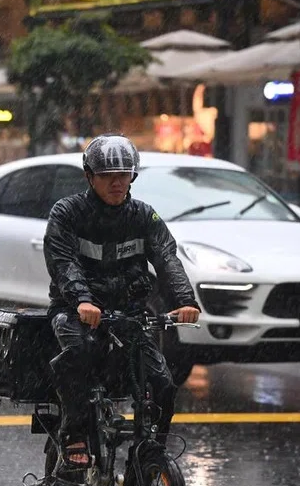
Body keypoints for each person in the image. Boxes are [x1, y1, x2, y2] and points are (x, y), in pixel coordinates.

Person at [43, 134, 201, 468]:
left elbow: (166, 257)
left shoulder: (144, 216)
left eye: (124, 174)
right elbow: (63, 263)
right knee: (78, 354)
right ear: (89, 176)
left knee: (162, 384)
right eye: (107, 175)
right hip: (75, 312)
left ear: (133, 177)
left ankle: (149, 456)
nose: (117, 182)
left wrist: (185, 300)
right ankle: (74, 434)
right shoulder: (67, 213)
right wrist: (82, 301)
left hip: (128, 315)